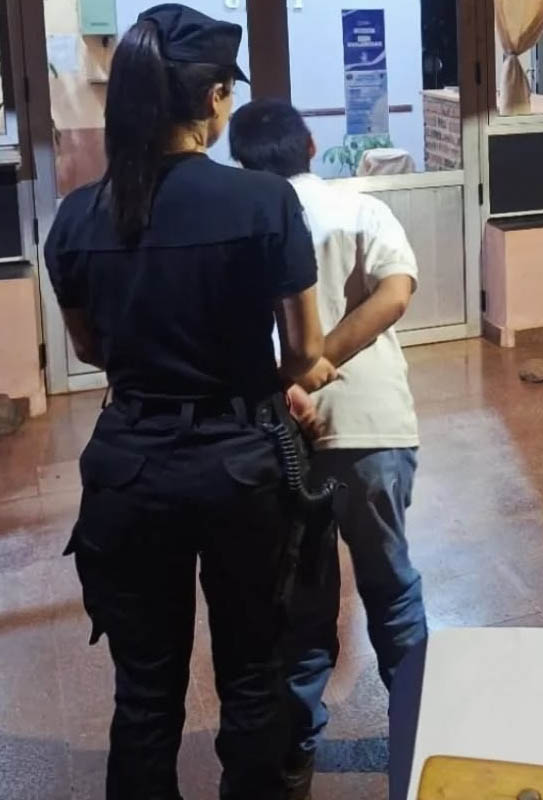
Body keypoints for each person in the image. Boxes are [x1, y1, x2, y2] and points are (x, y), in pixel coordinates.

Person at [44, 7, 337, 800]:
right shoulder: (263, 202)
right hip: (240, 469)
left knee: (144, 691)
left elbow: (90, 350)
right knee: (252, 671)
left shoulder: (77, 216)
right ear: (212, 97)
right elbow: (302, 353)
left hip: (129, 470)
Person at [230, 99, 428, 775]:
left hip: (284, 435)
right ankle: (421, 734)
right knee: (392, 588)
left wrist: (298, 377)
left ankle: (295, 754)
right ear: (311, 145)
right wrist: (323, 363)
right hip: (374, 427)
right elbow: (395, 293)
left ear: (242, 164)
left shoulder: (246, 228)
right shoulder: (361, 208)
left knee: (302, 601)